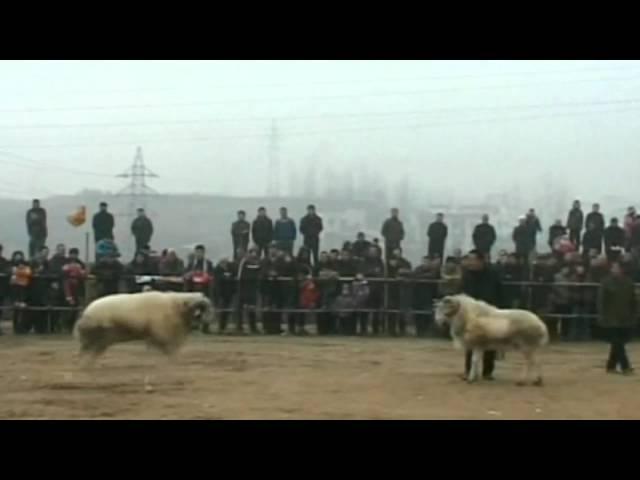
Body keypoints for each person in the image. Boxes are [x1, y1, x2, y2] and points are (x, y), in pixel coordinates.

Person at [461, 250, 503, 381]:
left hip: (490, 312)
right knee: (470, 342)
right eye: (469, 260)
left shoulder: (493, 274)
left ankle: (488, 372)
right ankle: (469, 371)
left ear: (481, 260)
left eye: (473, 260)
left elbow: (499, 292)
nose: (470, 262)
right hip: (471, 314)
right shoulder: (466, 275)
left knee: (490, 342)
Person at [598, 261, 636, 375]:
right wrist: (601, 315)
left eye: (616, 267)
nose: (614, 269)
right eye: (613, 268)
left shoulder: (629, 282)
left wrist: (634, 314)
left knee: (619, 343)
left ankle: (610, 366)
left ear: (621, 269)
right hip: (610, 317)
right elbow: (600, 301)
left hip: (625, 317)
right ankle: (626, 366)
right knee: (617, 343)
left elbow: (633, 300)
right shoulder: (605, 282)